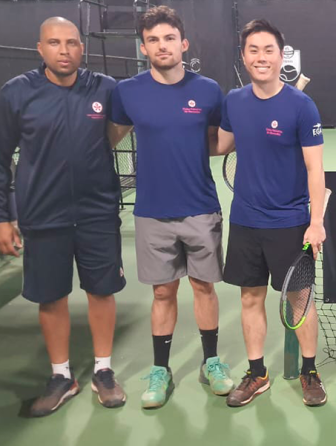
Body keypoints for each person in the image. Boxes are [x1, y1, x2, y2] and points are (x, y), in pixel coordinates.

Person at [108, 6, 234, 409]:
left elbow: (217, 142)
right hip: (151, 211)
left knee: (203, 287)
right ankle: (160, 369)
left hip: (200, 207)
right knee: (163, 291)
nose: (162, 46)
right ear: (143, 48)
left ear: (183, 44)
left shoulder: (209, 91)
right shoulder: (127, 92)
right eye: (153, 40)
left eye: (168, 38)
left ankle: (211, 362)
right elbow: (109, 139)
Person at [0, 17, 126, 416]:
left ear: (81, 47)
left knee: (101, 290)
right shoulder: (16, 93)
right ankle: (61, 376)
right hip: (43, 215)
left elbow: (125, 124)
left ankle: (103, 370)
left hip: (97, 212)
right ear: (40, 49)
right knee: (51, 296)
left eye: (71, 42)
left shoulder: (104, 88)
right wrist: (3, 217)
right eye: (54, 43)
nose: (64, 50)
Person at [213, 19, 327, 407]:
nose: (261, 57)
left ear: (281, 56)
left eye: (268, 50)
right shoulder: (234, 101)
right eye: (253, 50)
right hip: (245, 220)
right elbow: (221, 145)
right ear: (243, 57)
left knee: (300, 301)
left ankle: (309, 371)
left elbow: (315, 169)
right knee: (250, 298)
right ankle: (257, 373)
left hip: (289, 223)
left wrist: (315, 222)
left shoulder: (302, 106)